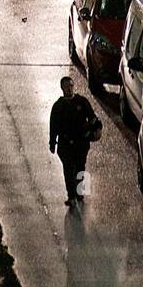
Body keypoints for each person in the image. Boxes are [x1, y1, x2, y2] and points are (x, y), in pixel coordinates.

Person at [49, 75, 102, 208]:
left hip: (81, 143)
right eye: (67, 86)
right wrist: (52, 143)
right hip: (65, 145)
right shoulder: (58, 107)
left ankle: (80, 193)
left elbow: (92, 117)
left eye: (71, 86)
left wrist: (97, 129)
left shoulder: (82, 102)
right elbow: (53, 126)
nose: (69, 89)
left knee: (80, 167)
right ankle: (71, 196)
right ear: (62, 88)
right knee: (68, 169)